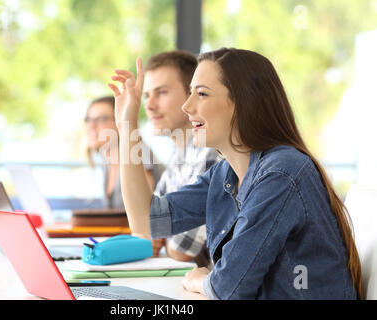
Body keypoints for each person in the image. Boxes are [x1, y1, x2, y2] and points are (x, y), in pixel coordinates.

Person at [108, 47, 362, 299]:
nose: (187, 106)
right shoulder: (225, 174)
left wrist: (201, 279)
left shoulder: (281, 173)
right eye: (189, 94)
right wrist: (127, 125)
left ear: (243, 103)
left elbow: (229, 287)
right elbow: (147, 220)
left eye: (202, 94)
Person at [142, 50, 219, 267]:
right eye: (147, 95)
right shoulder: (179, 157)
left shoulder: (209, 152)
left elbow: (182, 251)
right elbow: (150, 225)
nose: (149, 105)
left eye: (161, 93)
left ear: (191, 94)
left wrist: (162, 239)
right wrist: (159, 235)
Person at [84, 96, 163, 209]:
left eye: (102, 119)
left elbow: (143, 208)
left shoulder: (138, 150)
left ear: (120, 121)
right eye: (88, 119)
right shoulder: (106, 159)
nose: (91, 126)